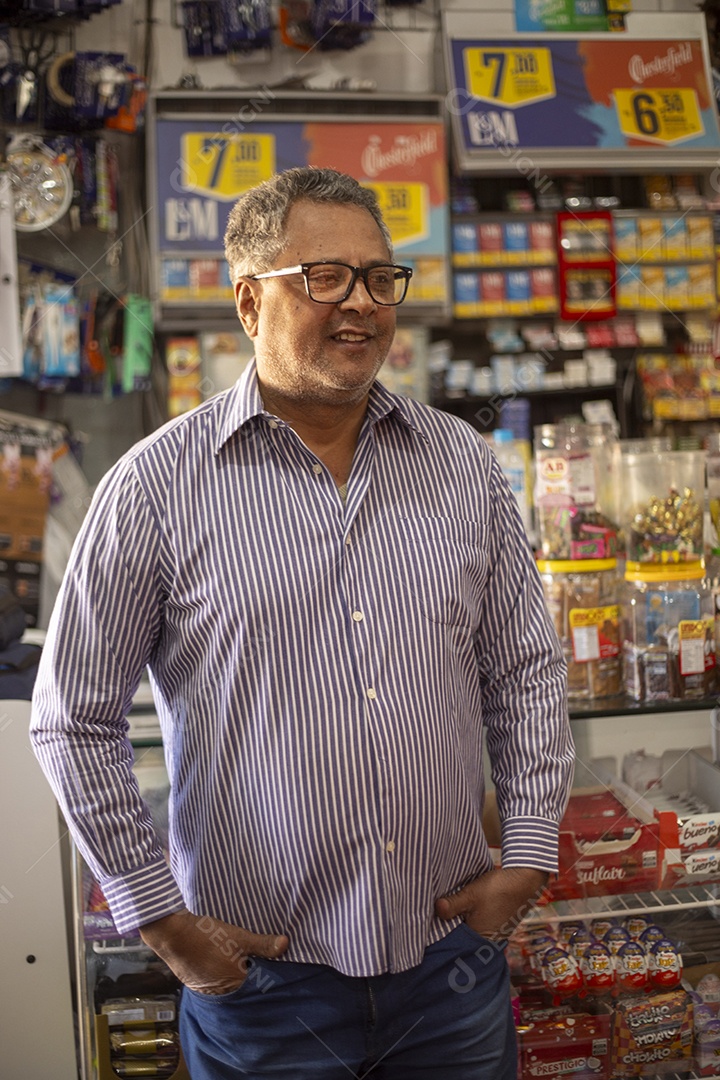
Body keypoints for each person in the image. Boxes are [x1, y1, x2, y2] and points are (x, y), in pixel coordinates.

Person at [31, 166, 574, 1079]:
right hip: (264, 984)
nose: (359, 304)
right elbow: (71, 718)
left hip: (449, 963)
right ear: (249, 303)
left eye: (377, 277)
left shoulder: (463, 467)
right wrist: (164, 923)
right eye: (323, 277)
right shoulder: (155, 488)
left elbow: (525, 669)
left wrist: (524, 853)